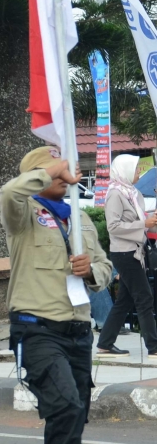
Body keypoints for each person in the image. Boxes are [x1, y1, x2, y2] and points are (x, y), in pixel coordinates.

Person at [1, 146, 112, 443]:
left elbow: (105, 266)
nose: (65, 175)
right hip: (38, 330)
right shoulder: (22, 213)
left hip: (78, 331)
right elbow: (9, 193)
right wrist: (55, 169)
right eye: (56, 170)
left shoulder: (79, 218)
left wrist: (90, 270)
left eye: (66, 169)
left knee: (74, 415)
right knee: (65, 407)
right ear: (37, 175)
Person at [96, 154, 157, 359]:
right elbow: (113, 227)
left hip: (134, 252)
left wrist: (150, 221)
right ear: (125, 170)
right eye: (136, 169)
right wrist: (144, 224)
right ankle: (153, 347)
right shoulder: (116, 194)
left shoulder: (132, 193)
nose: (139, 172)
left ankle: (105, 343)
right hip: (125, 253)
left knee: (125, 300)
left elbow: (141, 221)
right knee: (144, 297)